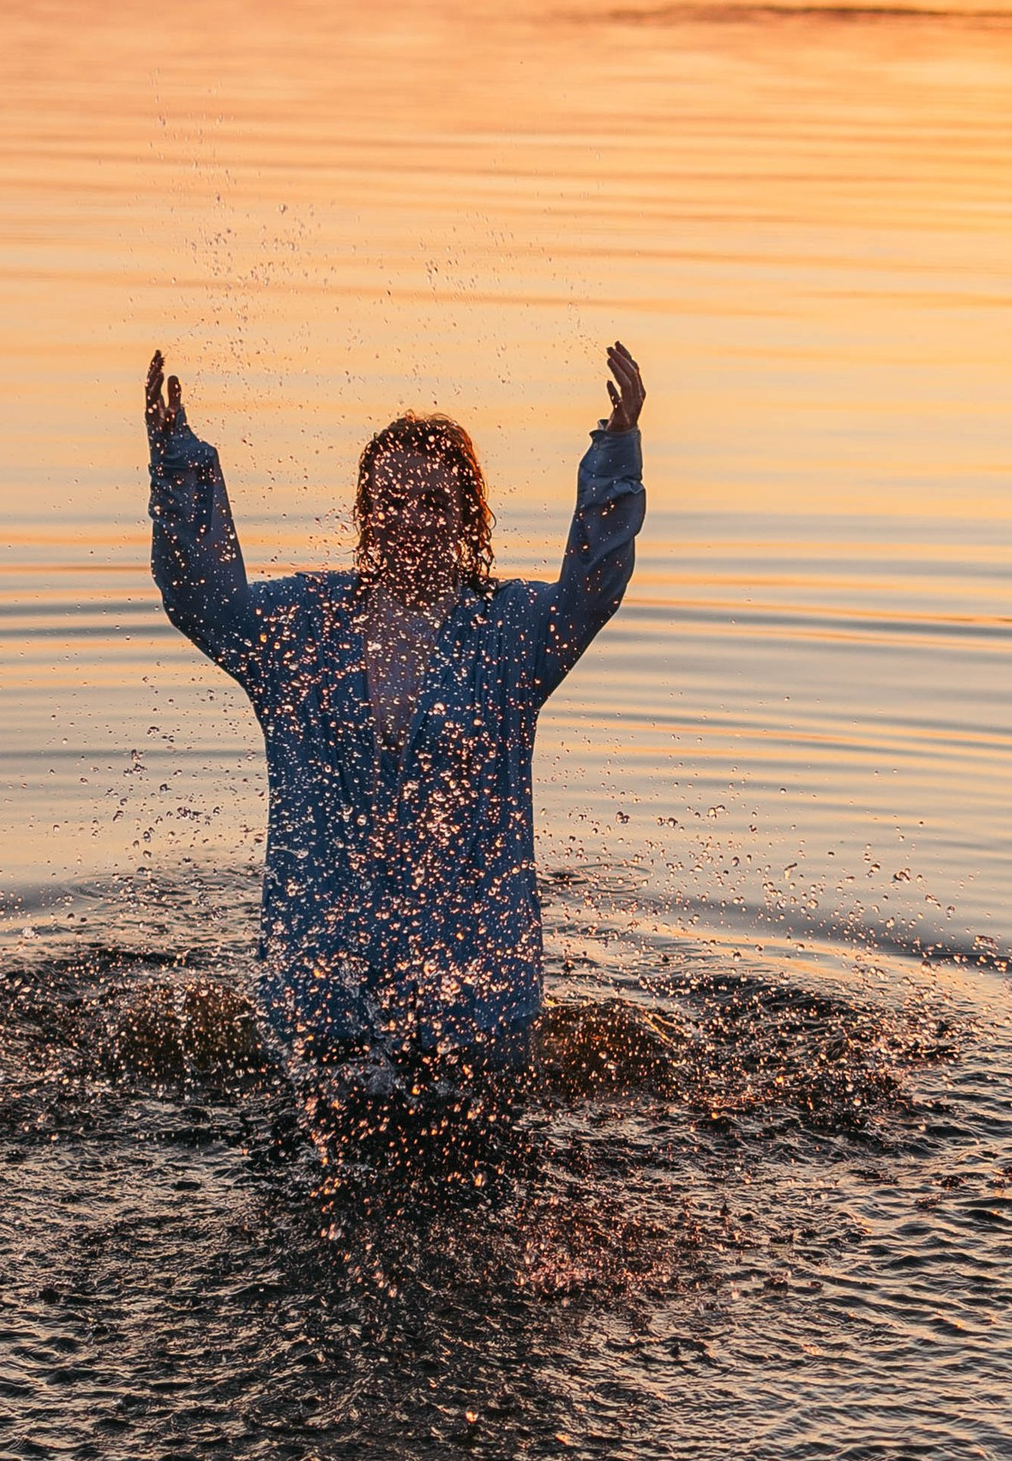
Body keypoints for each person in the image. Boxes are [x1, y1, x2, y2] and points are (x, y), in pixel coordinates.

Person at [146, 345, 646, 1120]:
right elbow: (204, 601)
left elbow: (591, 588)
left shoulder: (509, 633)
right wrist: (178, 467)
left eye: (434, 504)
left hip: (478, 1010)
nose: (411, 520)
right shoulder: (302, 625)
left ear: (468, 520)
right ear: (364, 513)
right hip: (322, 1003)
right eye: (393, 502)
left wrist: (617, 450)